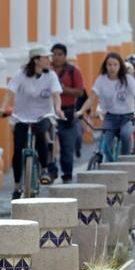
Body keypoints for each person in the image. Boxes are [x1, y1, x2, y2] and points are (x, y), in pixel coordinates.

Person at [0, 47, 64, 199]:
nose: (49, 60)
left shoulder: (51, 76)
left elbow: (56, 95)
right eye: (46, 57)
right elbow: (10, 92)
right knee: (18, 149)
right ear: (36, 60)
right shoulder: (21, 75)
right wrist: (2, 107)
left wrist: (58, 109)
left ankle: (45, 168)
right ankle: (16, 186)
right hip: (21, 116)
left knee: (41, 132)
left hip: (43, 115)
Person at [76, 52, 135, 157]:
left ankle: (126, 159)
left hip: (128, 117)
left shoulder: (128, 79)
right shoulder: (101, 80)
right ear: (105, 66)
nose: (112, 68)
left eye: (115, 65)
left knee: (125, 135)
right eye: (109, 64)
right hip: (110, 117)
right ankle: (106, 162)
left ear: (120, 66)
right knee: (105, 142)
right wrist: (81, 111)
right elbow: (91, 98)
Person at [50, 43, 85, 183]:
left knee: (67, 145)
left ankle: (67, 174)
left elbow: (80, 91)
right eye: (54, 54)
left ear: (65, 56)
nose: (56, 57)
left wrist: (63, 90)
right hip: (50, 111)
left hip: (68, 112)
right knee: (48, 144)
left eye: (60, 54)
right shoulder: (47, 71)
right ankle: (51, 171)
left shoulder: (73, 71)